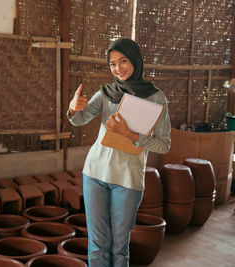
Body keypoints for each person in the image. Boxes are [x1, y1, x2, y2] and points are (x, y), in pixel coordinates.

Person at [67, 38, 171, 267]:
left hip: (128, 180)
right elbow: (80, 119)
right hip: (94, 174)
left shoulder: (156, 97)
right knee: (97, 244)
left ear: (135, 60)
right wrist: (74, 108)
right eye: (112, 64)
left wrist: (131, 134)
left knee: (119, 247)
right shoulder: (106, 93)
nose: (117, 68)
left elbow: (163, 144)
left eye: (123, 61)